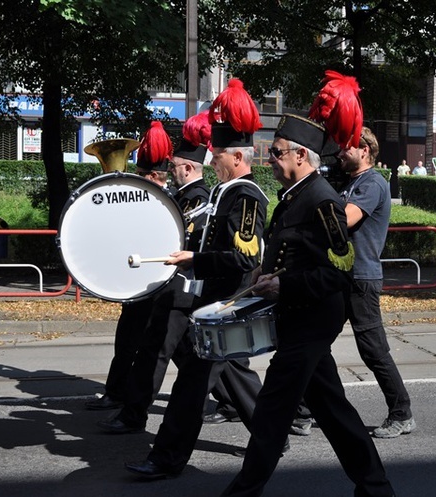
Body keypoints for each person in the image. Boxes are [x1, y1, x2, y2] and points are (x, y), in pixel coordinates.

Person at [222, 108, 395, 496]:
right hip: (297, 316)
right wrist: (263, 275)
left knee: (270, 413)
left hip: (312, 318)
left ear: (301, 155)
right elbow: (290, 254)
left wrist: (285, 287)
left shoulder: (322, 201)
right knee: (333, 411)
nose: (270, 158)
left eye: (277, 152)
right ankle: (375, 487)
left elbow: (339, 272)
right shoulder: (292, 197)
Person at [122, 78, 269, 478]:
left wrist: (195, 260)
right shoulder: (227, 192)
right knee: (205, 380)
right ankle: (272, 435)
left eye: (218, 154)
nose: (213, 160)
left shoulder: (246, 196)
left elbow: (245, 255)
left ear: (237, 157)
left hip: (227, 303)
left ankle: (166, 459)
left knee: (190, 388)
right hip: (212, 302)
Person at [85, 121, 173, 411]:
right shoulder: (142, 201)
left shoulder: (167, 203)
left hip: (161, 284)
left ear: (149, 175)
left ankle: (231, 396)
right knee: (127, 341)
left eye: (138, 174)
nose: (135, 179)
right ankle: (117, 392)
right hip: (139, 284)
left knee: (178, 349)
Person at [336, 124, 416, 438]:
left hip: (361, 279)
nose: (340, 152)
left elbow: (344, 220)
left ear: (364, 150)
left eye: (346, 147)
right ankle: (302, 411)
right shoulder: (351, 182)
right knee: (313, 343)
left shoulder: (371, 183)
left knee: (374, 351)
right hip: (342, 276)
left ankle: (402, 413)